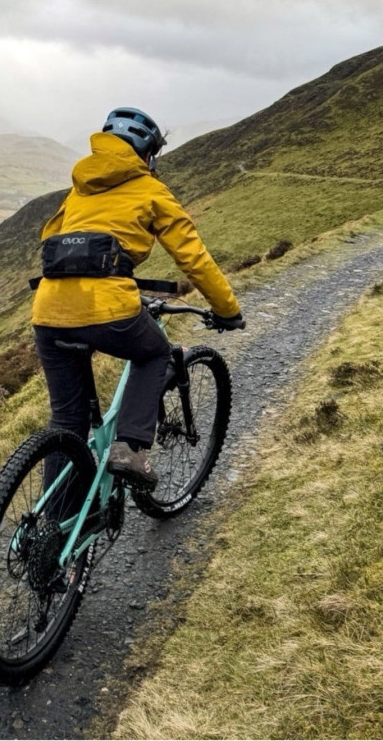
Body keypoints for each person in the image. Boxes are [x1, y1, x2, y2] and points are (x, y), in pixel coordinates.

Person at [31, 107, 243, 490]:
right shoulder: (150, 189)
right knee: (155, 353)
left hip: (48, 310)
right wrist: (227, 309)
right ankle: (129, 447)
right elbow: (193, 257)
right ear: (147, 155)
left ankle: (58, 523)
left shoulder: (79, 188)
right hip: (108, 308)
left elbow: (52, 237)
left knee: (66, 422)